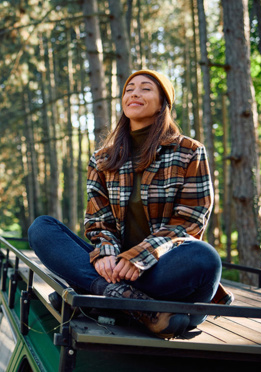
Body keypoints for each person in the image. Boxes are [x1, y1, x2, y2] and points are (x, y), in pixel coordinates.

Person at [28, 69, 231, 339]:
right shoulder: (103, 159)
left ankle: (97, 298)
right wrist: (107, 254)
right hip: (115, 272)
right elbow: (99, 221)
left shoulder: (189, 151)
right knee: (42, 228)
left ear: (163, 103)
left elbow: (190, 222)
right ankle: (128, 303)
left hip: (162, 273)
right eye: (129, 89)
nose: (134, 93)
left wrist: (138, 258)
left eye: (146, 89)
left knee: (204, 257)